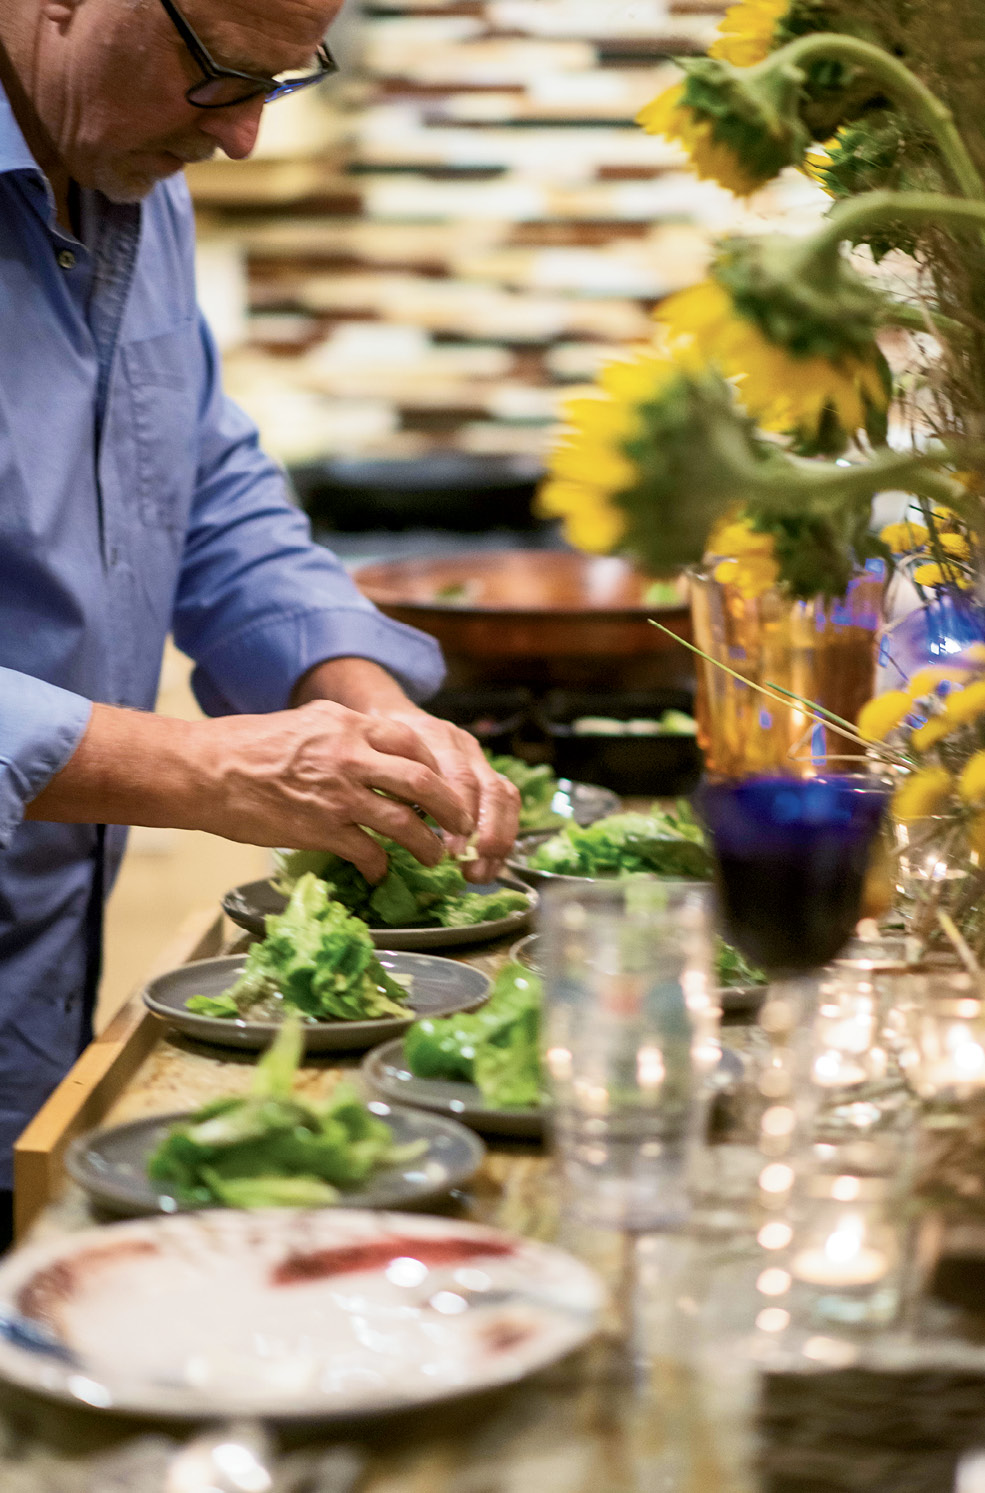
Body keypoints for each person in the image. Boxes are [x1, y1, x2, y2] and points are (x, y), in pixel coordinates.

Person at [0, 0, 521, 1248]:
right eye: (220, 71)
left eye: (282, 80)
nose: (241, 137)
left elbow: (203, 483)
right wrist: (200, 764)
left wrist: (360, 695)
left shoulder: (127, 175)